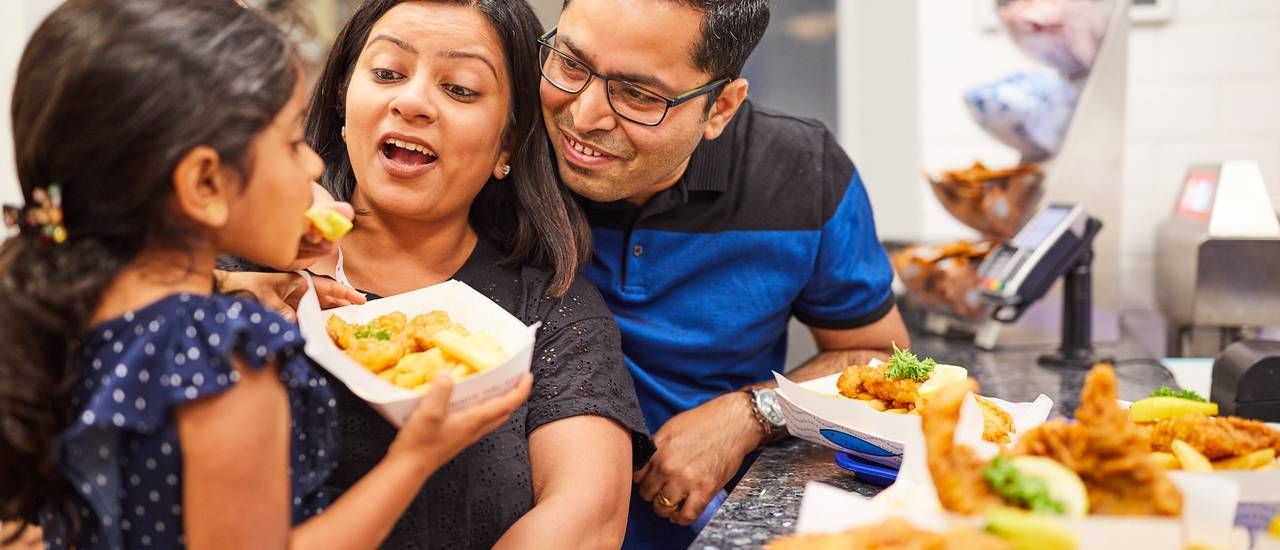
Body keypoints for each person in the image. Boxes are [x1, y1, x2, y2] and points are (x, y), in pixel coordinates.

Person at [0, 1, 530, 548]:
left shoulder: (57, 298)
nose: (314, 165)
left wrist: (231, 282)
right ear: (205, 185)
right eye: (291, 143)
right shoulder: (221, 356)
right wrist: (415, 459)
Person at [537, 0, 912, 547]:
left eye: (639, 95)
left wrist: (753, 413)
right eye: (571, 63)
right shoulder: (501, 146)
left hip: (713, 527)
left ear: (721, 108)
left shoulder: (800, 173)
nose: (583, 115)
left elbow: (883, 358)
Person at [295, 0, 652, 547]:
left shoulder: (551, 308)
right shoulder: (242, 270)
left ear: (508, 143)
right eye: (387, 73)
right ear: (343, 97)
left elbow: (588, 516)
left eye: (460, 88)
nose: (412, 102)